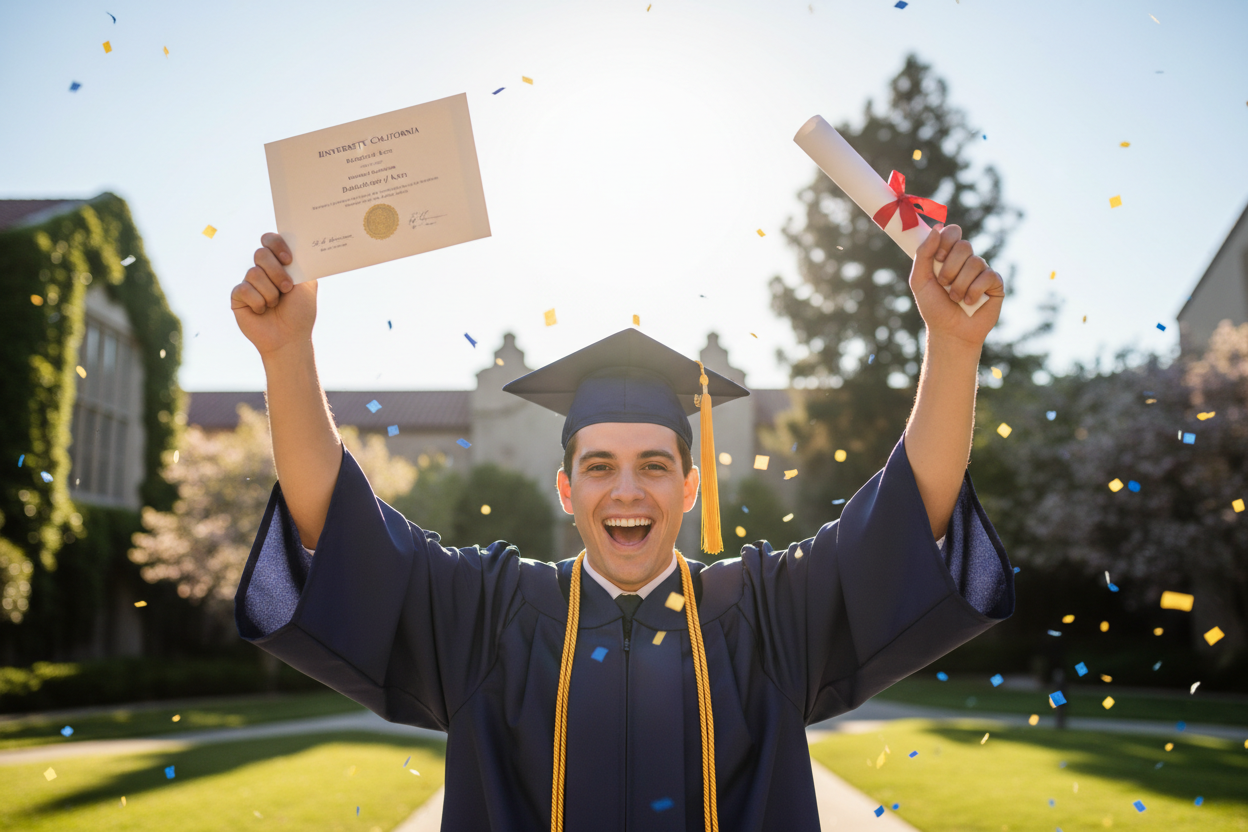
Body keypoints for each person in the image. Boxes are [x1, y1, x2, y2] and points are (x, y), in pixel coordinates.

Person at [230, 223, 1013, 832]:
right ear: (567, 491)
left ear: (692, 484)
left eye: (654, 465)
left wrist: (952, 343)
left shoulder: (768, 615)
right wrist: (287, 349)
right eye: (600, 466)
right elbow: (335, 523)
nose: (627, 490)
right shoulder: (488, 615)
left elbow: (913, 510)